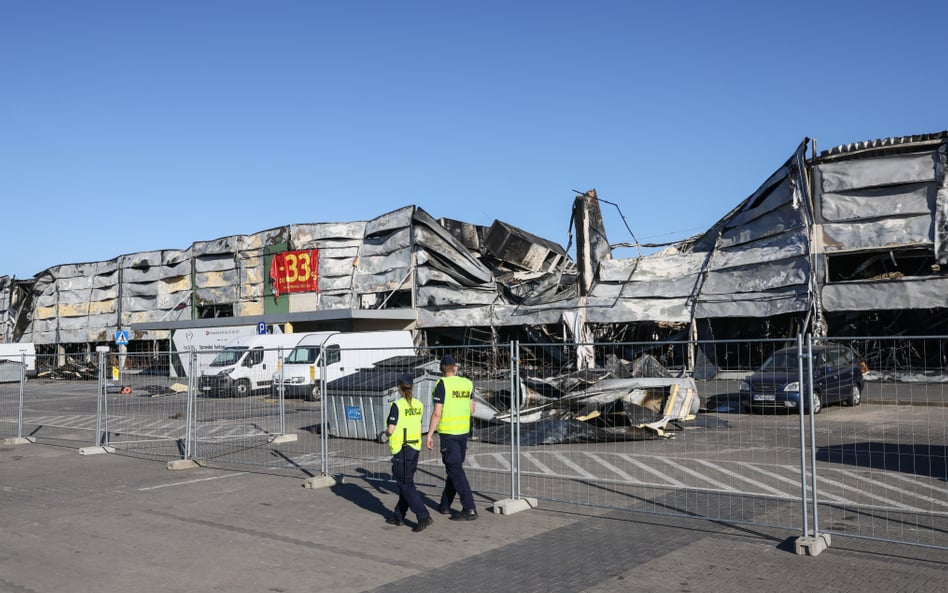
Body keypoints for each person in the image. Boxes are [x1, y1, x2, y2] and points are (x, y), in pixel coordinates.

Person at [425, 354, 477, 521]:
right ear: (455, 367)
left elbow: (437, 413)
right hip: (463, 432)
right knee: (454, 469)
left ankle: (469, 508)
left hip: (449, 434)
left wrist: (430, 434)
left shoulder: (442, 385)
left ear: (441, 369)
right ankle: (445, 504)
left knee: (455, 470)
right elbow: (472, 410)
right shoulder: (467, 383)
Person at [384, 372, 433, 533]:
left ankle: (423, 515)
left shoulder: (397, 406)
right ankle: (399, 516)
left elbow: (391, 430)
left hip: (402, 448)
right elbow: (418, 425)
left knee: (405, 484)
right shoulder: (418, 404)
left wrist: (384, 433)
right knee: (407, 483)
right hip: (414, 447)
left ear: (399, 387)